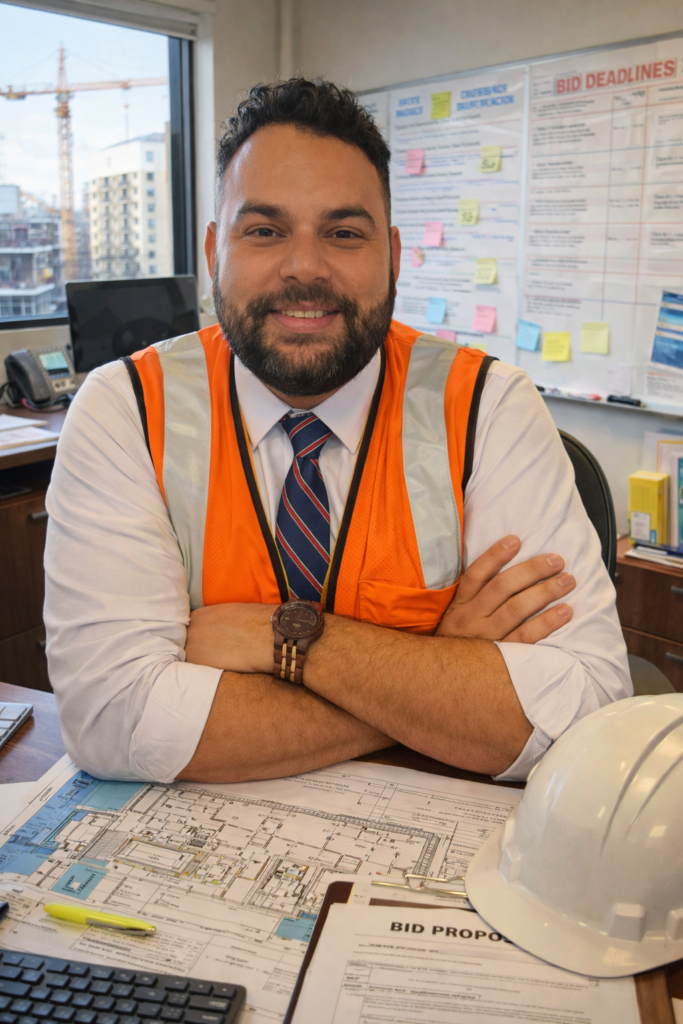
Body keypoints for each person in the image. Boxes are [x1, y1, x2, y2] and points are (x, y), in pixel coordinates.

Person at [44, 78, 630, 785]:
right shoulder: (126, 409)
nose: (304, 268)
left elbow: (585, 711)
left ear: (392, 254)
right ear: (212, 253)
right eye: (263, 230)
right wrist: (436, 669)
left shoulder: (487, 405)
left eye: (344, 233)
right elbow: (112, 720)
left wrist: (289, 645)